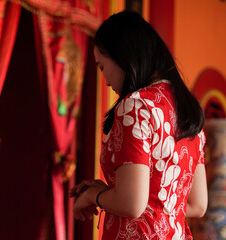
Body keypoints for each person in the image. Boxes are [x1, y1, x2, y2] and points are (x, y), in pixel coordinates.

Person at [70, 11, 208, 239]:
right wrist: (110, 193)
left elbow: (132, 203)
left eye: (102, 67)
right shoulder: (187, 109)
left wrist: (92, 196)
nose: (105, 81)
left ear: (122, 55)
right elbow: (198, 204)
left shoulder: (135, 106)